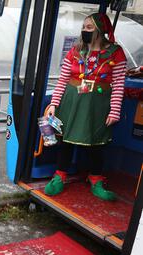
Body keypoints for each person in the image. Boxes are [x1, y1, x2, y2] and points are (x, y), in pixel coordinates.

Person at [44, 12, 127, 201]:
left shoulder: (116, 52)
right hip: (71, 102)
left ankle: (96, 178)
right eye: (83, 27)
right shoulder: (75, 51)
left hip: (98, 105)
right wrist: (54, 104)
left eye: (89, 27)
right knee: (65, 139)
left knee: (96, 142)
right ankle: (60, 176)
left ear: (100, 30)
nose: (84, 30)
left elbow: (119, 84)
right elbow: (63, 80)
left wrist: (114, 110)